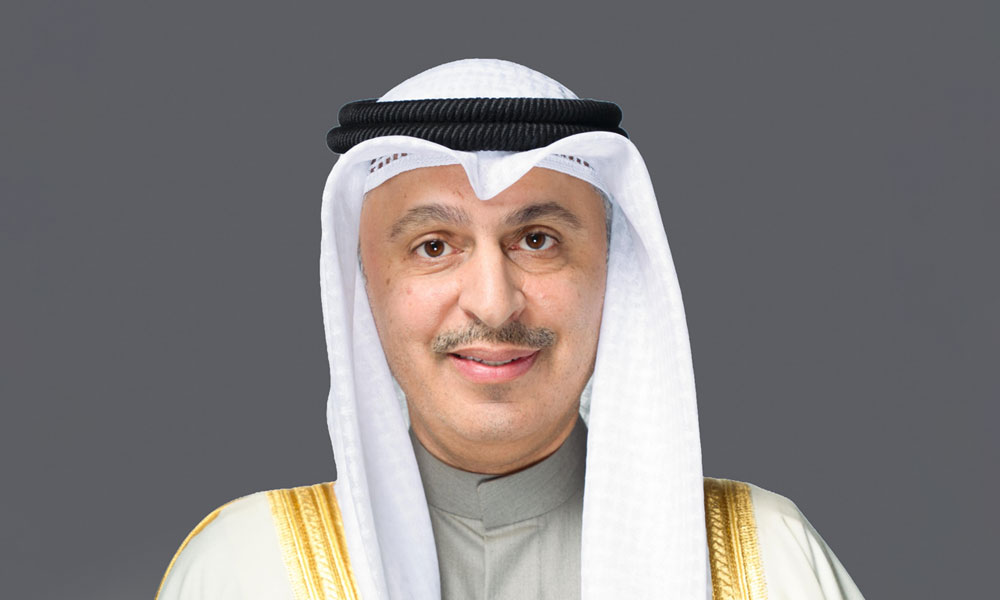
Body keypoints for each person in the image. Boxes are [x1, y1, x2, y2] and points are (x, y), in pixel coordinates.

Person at [156, 59, 864, 600]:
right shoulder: (245, 571)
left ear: (613, 273)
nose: (493, 306)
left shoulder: (767, 562)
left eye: (537, 241)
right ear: (365, 283)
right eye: (435, 246)